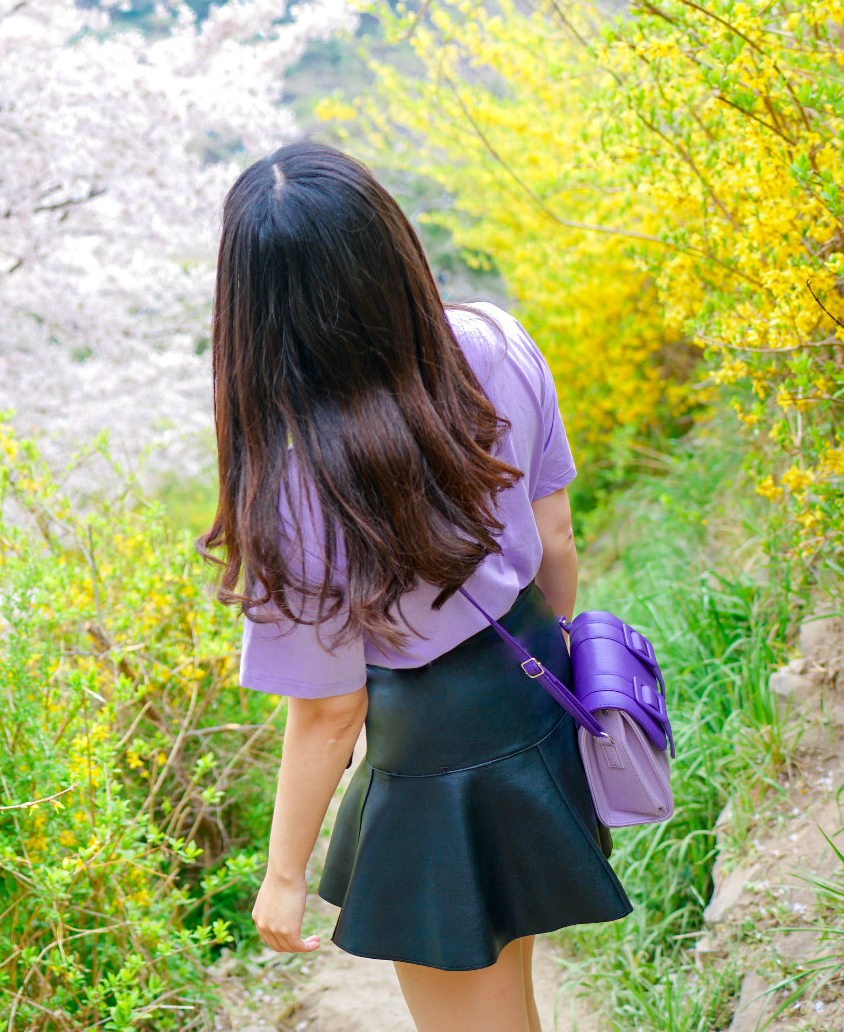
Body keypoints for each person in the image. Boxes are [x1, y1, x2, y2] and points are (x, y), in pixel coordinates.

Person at [205, 142, 629, 1031]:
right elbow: (554, 536)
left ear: (254, 311)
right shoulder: (493, 342)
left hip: (435, 760)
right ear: (388, 249)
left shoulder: (293, 481)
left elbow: (330, 710)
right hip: (535, 692)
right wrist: (549, 660)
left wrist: (283, 877)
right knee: (506, 997)